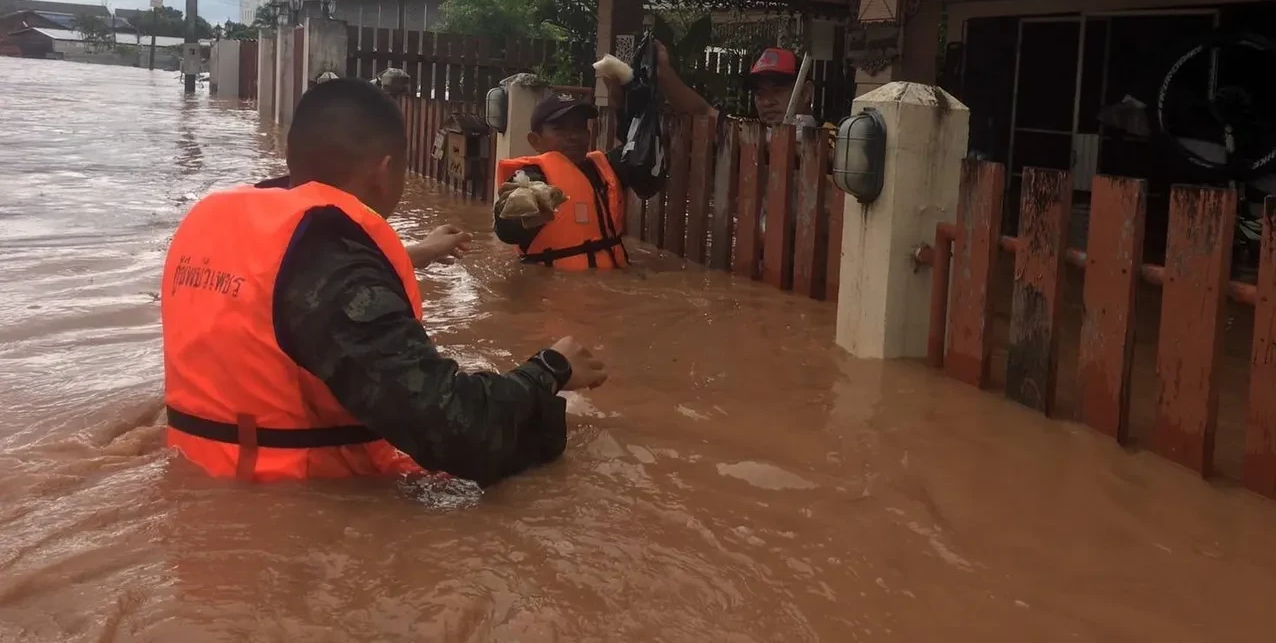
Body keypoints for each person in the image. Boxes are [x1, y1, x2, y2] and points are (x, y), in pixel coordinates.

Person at [162, 77, 606, 486]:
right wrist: (549, 370)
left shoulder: (224, 225)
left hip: (203, 477)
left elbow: (291, 296)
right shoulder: (337, 267)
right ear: (385, 171)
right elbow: (461, 433)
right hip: (303, 505)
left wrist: (418, 254)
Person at [493, 93, 664, 269]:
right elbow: (506, 231)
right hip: (555, 284)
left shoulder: (607, 168)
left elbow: (643, 152)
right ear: (535, 141)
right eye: (560, 129)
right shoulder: (530, 177)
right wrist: (522, 214)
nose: (574, 136)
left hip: (613, 280)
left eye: (579, 127)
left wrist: (622, 99)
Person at [656, 45, 818, 128]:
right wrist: (664, 73)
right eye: (760, 93)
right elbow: (702, 111)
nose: (767, 102)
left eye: (777, 91)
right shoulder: (746, 134)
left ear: (806, 92)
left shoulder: (831, 144)